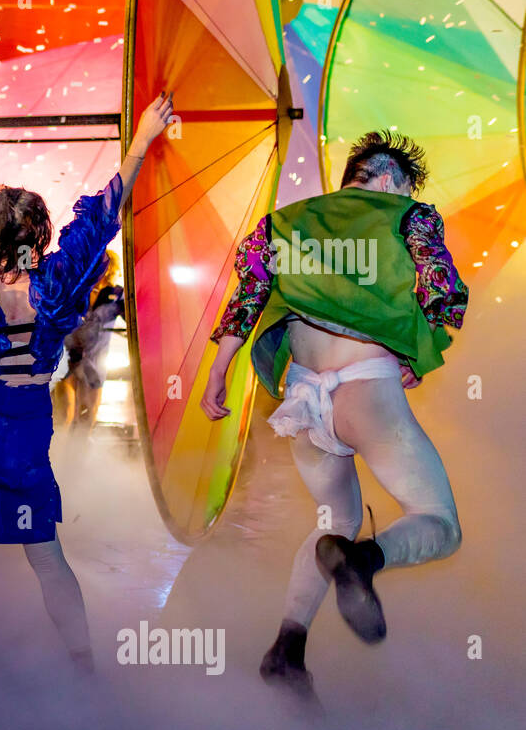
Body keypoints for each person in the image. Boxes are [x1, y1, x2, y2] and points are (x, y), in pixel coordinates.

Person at [0, 92, 174, 708]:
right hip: (28, 432)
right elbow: (104, 216)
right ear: (41, 235)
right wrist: (140, 140)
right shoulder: (58, 282)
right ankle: (85, 673)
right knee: (48, 558)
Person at [201, 130, 469, 700]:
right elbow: (442, 291)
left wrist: (218, 372)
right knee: (439, 522)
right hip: (364, 389)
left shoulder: (289, 220)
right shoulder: (409, 215)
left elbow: (248, 297)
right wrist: (422, 349)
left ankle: (286, 650)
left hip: (302, 401)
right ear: (393, 179)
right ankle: (363, 562)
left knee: (332, 520)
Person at [56, 256, 125, 430]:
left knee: (86, 418)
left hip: (95, 360)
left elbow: (134, 320)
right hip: (68, 357)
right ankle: (54, 454)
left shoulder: (117, 295)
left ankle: (79, 454)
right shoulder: (77, 288)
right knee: (65, 413)